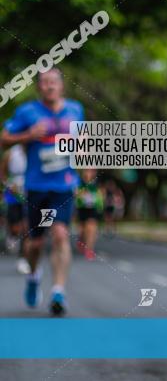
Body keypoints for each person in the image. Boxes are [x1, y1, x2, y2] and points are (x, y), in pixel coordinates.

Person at [0, 68, 96, 316]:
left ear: (61, 86)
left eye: (53, 82)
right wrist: (28, 135)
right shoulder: (27, 112)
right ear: (39, 87)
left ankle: (58, 292)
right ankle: (33, 276)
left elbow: (81, 140)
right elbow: (4, 138)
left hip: (64, 185)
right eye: (44, 82)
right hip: (35, 186)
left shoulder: (75, 110)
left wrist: (87, 163)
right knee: (35, 243)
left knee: (61, 234)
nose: (49, 86)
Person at [1, 144, 30, 274]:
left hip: (31, 192)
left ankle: (23, 259)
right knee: (15, 227)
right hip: (14, 194)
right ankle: (11, 235)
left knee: (26, 226)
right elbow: (2, 173)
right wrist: (8, 185)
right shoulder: (12, 153)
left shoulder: (35, 150)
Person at [75, 177, 103, 261]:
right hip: (82, 208)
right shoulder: (79, 181)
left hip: (93, 208)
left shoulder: (97, 181)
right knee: (83, 229)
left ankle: (89, 249)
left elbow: (101, 193)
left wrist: (100, 202)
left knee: (92, 226)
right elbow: (75, 192)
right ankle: (82, 239)